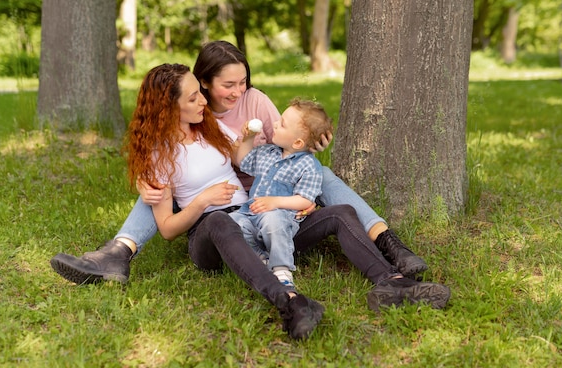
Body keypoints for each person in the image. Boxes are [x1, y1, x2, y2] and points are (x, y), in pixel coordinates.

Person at [51, 63, 451, 340]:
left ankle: (391, 283)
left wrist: (310, 143)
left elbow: (271, 149)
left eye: (199, 95)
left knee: (341, 213)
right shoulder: (160, 154)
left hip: (260, 218)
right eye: (192, 98)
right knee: (220, 221)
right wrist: (202, 200)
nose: (203, 102)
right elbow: (170, 229)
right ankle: (289, 300)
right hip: (209, 235)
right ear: (167, 106)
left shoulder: (210, 129)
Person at [49, 40, 427, 285]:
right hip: (214, 197)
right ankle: (119, 251)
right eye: (227, 85)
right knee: (156, 189)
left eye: (242, 81)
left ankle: (388, 242)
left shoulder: (255, 101)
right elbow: (167, 156)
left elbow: (288, 140)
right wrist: (146, 181)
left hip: (260, 187)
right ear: (203, 84)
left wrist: (312, 143)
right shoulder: (193, 113)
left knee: (322, 173)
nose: (237, 91)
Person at [229, 98, 333, 289]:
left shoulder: (308, 165)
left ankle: (281, 268)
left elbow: (305, 199)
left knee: (273, 221)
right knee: (233, 223)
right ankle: (260, 258)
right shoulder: (267, 152)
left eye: (282, 124)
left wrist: (275, 202)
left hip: (280, 216)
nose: (275, 124)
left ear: (298, 141)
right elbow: (243, 160)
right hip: (250, 212)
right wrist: (248, 138)